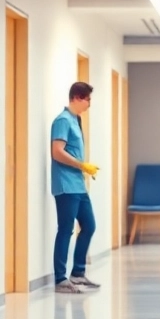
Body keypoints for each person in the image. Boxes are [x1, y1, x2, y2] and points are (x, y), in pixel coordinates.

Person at [51, 82, 101, 293]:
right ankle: (61, 279)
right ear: (77, 98)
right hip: (65, 185)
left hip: (78, 185)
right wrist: (82, 165)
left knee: (89, 225)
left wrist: (83, 169)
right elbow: (57, 152)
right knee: (66, 230)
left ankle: (78, 273)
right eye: (88, 99)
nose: (89, 104)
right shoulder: (62, 121)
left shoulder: (75, 120)